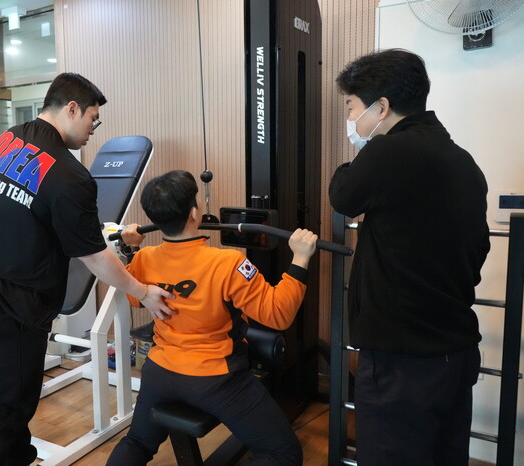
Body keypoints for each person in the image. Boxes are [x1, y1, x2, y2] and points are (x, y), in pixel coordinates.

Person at [0, 73, 174, 465]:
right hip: (8, 305)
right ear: (72, 108)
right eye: (92, 118)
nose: (93, 129)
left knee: (10, 398)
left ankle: (17, 457)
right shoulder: (71, 176)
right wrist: (142, 292)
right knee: (4, 409)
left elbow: (27, 212)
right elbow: (94, 257)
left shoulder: (7, 140)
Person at [329, 49, 490, 465]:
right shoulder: (465, 163)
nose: (351, 119)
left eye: (352, 107)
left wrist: (360, 154)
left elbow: (343, 194)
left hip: (401, 362)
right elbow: (479, 250)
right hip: (456, 353)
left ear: (381, 107)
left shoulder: (387, 153)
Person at [106, 170, 317, 465]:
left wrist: (133, 247)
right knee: (284, 454)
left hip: (159, 372)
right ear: (195, 213)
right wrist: (301, 258)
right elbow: (278, 314)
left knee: (137, 442)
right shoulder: (227, 263)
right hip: (215, 378)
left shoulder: (144, 257)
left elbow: (133, 297)